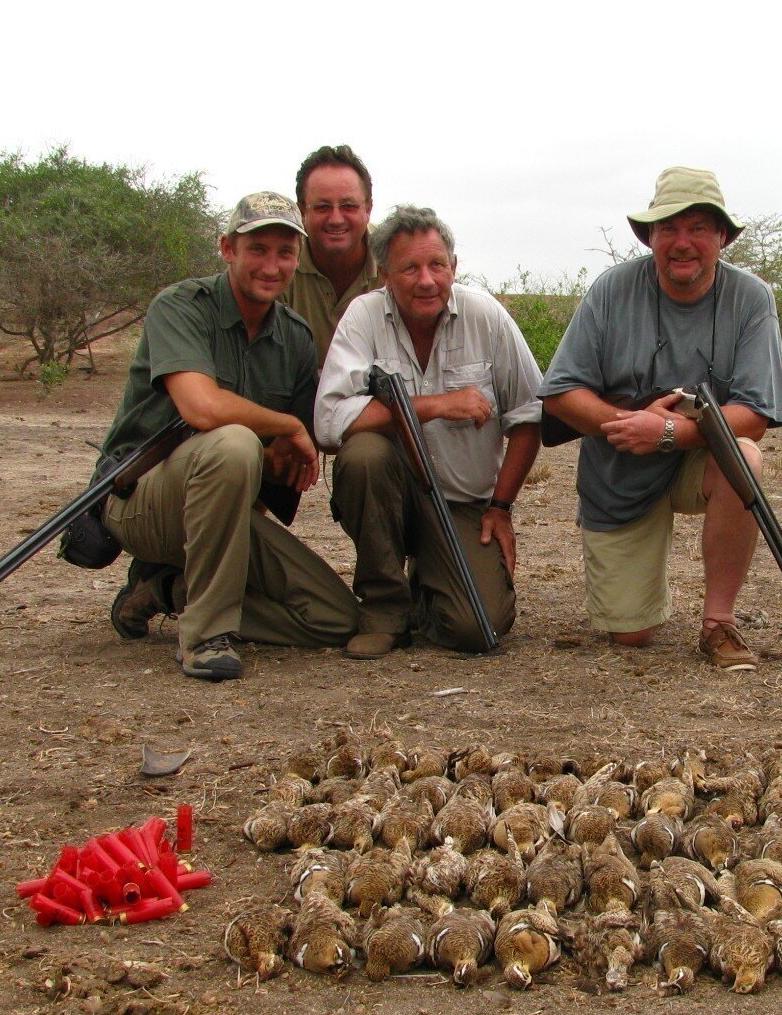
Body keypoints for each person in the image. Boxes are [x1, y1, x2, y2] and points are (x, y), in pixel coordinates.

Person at [99, 193, 358, 680]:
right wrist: (286, 427)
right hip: (140, 500)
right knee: (235, 443)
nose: (271, 265)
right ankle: (204, 638)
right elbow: (202, 407)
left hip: (223, 513)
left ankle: (168, 592)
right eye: (257, 249)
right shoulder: (179, 306)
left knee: (335, 619)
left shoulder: (296, 337)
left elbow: (295, 453)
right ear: (227, 249)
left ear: (297, 259)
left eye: (285, 252)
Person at [539, 166, 782, 671]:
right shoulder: (610, 289)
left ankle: (719, 623)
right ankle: (644, 585)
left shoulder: (752, 298)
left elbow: (755, 416)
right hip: (621, 474)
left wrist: (670, 433)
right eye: (668, 228)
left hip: (696, 460)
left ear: (722, 236)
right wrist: (628, 424)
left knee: (745, 458)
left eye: (698, 228)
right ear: (650, 235)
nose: (682, 242)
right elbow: (561, 393)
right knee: (632, 636)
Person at [315, 205, 543, 657]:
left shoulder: (487, 316)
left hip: (463, 504)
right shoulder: (363, 316)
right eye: (410, 268)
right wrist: (433, 406)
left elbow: (531, 414)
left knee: (478, 630)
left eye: (437, 265)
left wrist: (501, 508)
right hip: (392, 495)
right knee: (363, 455)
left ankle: (426, 585)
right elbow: (329, 422)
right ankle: (384, 607)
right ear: (384, 275)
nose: (426, 280)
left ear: (454, 267)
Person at [281, 145, 382, 366]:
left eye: (348, 206)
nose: (336, 219)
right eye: (323, 207)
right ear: (302, 211)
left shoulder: (395, 260)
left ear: (368, 208)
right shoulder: (279, 264)